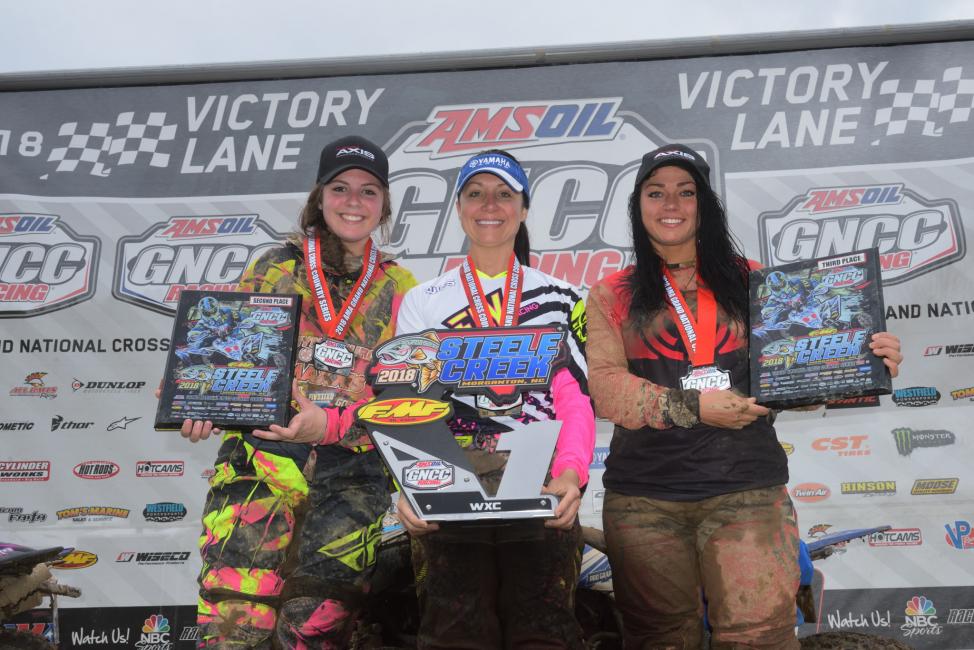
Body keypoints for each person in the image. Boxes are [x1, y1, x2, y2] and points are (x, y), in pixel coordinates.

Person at [584, 143, 903, 649]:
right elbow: (604, 388)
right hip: (644, 501)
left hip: (747, 493)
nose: (671, 203)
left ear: (705, 204)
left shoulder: (756, 280)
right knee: (657, 640)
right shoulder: (611, 293)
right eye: (656, 192)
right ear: (637, 205)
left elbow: (796, 377)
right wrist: (693, 407)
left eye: (686, 192)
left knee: (760, 637)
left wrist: (864, 362)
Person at [168, 135, 417, 648]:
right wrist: (196, 400)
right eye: (341, 187)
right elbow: (224, 359)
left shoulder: (401, 287)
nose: (354, 201)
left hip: (353, 472)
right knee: (233, 621)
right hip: (261, 458)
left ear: (384, 204)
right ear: (319, 196)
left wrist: (332, 423)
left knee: (316, 626)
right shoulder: (272, 268)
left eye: (369, 192)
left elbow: (403, 399)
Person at [394, 150, 595, 649]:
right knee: (453, 634)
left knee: (544, 633)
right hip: (450, 480)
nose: (491, 204)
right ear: (459, 208)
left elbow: (575, 401)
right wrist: (410, 484)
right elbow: (407, 402)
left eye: (505, 194)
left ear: (524, 209)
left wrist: (570, 473)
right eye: (476, 193)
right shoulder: (424, 300)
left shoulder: (562, 298)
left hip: (541, 479)